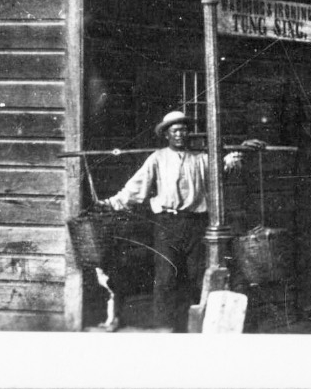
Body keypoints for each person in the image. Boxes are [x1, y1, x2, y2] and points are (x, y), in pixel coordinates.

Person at [105, 110, 266, 332]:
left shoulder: (200, 159)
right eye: (175, 131)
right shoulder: (157, 158)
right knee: (165, 278)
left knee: (194, 276)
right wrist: (113, 202)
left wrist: (241, 150)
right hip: (166, 225)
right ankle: (165, 327)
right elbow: (136, 187)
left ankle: (192, 326)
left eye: (183, 130)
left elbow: (224, 166)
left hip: (195, 224)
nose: (180, 134)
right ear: (167, 135)